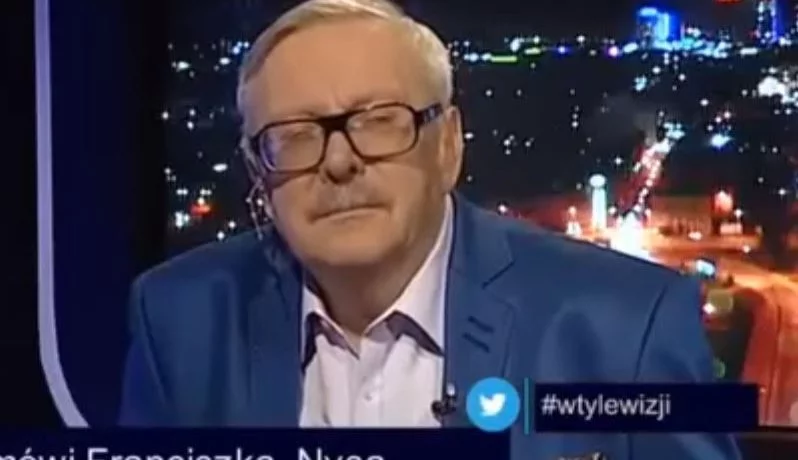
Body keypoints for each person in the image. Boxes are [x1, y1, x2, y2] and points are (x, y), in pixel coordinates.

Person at [119, 0, 740, 458]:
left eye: (378, 121)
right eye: (295, 136)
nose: (339, 162)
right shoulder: (178, 320)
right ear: (259, 171)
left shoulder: (630, 325)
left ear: (447, 145)